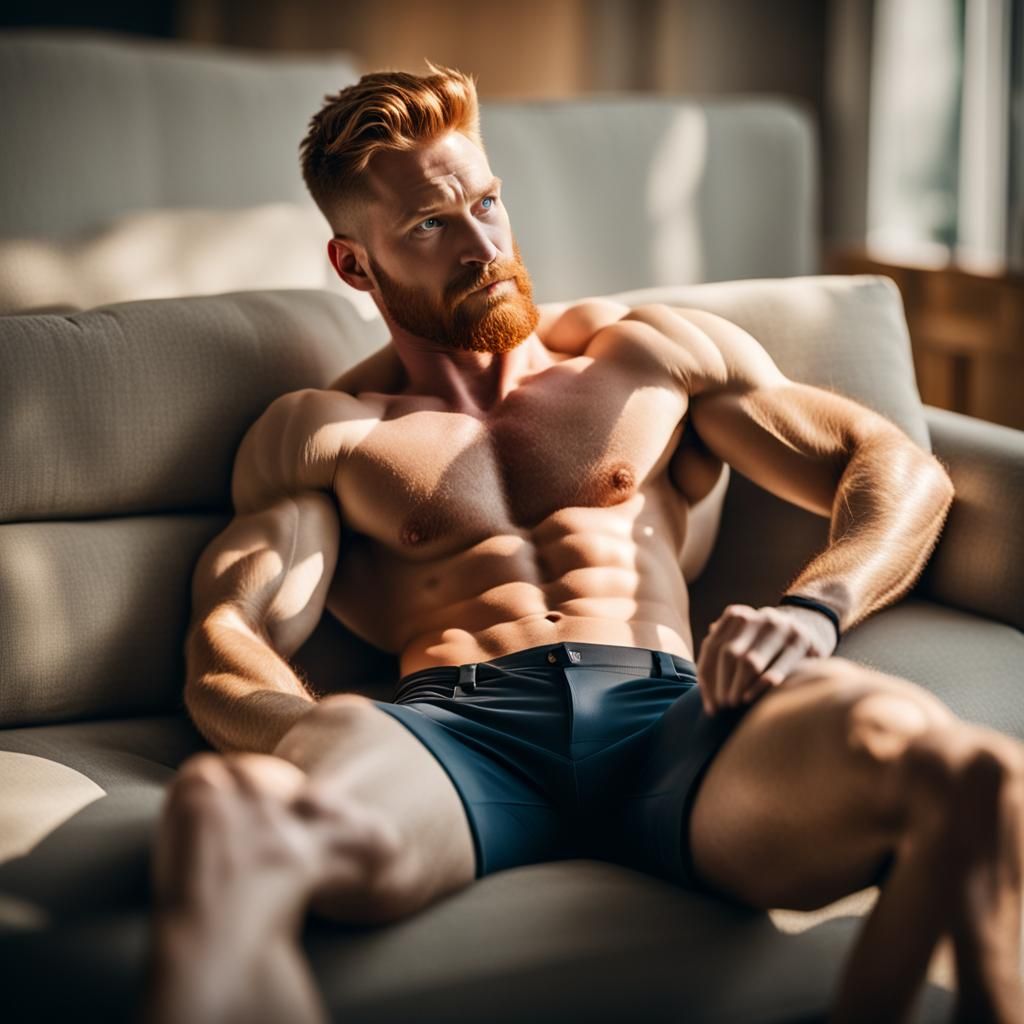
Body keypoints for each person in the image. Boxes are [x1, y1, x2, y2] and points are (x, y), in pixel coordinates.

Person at [140, 63, 1024, 1024]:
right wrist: (314, 734)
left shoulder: (642, 356)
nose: (485, 245)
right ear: (356, 265)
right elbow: (227, 641)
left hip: (679, 712)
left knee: (973, 778)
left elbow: (896, 467)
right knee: (223, 817)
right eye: (431, 227)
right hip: (453, 735)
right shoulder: (327, 430)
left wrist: (814, 608)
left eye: (485, 201)